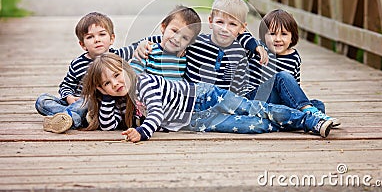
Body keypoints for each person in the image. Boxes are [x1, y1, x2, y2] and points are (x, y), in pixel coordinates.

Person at [81, 53, 334, 142]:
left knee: (253, 109)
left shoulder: (143, 83)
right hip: (195, 122)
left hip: (205, 97)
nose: (115, 83)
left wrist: (142, 132)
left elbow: (156, 113)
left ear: (125, 69)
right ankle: (293, 118)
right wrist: (103, 98)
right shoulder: (118, 98)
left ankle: (309, 119)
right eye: (106, 84)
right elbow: (108, 126)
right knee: (252, 126)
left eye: (116, 75)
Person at [135, 0, 268, 96]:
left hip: (231, 102)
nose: (225, 28)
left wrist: (255, 45)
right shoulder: (195, 42)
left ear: (242, 28)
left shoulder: (243, 50)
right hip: (197, 102)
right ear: (210, 21)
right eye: (220, 22)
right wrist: (143, 44)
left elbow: (264, 49)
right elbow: (170, 38)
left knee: (280, 81)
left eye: (232, 24)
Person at [35, 12, 137, 133]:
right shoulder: (77, 64)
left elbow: (139, 45)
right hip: (77, 102)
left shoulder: (118, 56)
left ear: (112, 38)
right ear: (83, 45)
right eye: (90, 37)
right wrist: (69, 97)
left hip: (96, 104)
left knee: (87, 101)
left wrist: (150, 44)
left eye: (102, 34)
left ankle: (67, 118)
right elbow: (66, 85)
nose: (97, 40)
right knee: (42, 101)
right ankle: (69, 118)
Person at [246, 9, 340, 126]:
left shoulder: (294, 57)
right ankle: (306, 115)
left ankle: (294, 116)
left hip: (278, 103)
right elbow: (241, 41)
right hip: (256, 100)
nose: (278, 39)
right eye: (272, 34)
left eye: (284, 34)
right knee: (282, 76)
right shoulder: (258, 50)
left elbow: (294, 88)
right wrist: (255, 46)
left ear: (292, 37)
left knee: (318, 104)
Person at [130, 5, 201, 81]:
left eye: (185, 38)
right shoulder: (147, 52)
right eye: (174, 31)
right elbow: (131, 78)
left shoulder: (185, 58)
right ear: (163, 27)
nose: (177, 39)